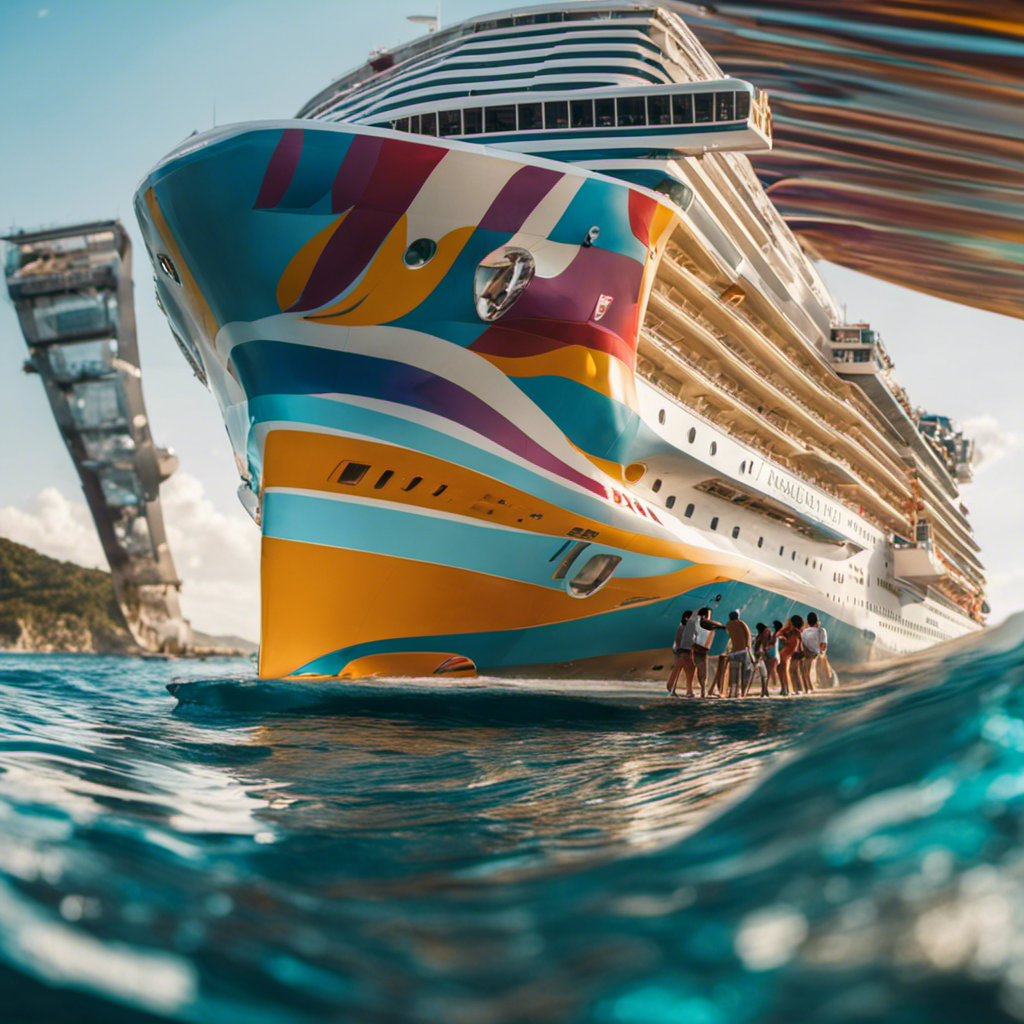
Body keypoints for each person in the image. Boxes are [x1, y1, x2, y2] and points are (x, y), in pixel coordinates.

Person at [678, 606, 727, 697]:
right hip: (700, 649)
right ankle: (703, 691)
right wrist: (721, 626)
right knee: (702, 670)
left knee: (701, 670)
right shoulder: (702, 620)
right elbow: (714, 623)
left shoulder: (698, 622)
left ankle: (702, 690)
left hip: (697, 648)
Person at [725, 610, 754, 696]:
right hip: (744, 652)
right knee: (746, 672)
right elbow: (748, 636)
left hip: (734, 652)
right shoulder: (741, 623)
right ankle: (743, 692)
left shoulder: (728, 625)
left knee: (734, 673)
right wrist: (750, 652)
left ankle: (733, 692)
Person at [666, 610, 694, 697]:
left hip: (684, 651)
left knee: (686, 669)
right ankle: (675, 688)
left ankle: (687, 690)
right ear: (686, 618)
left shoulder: (687, 627)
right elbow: (678, 640)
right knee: (684, 669)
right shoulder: (682, 627)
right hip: (682, 651)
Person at [800, 612, 830, 690]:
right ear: (817, 621)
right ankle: (816, 687)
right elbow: (823, 645)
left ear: (808, 622)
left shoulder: (804, 632)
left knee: (807, 674)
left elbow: (803, 645)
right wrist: (820, 654)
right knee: (815, 674)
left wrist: (807, 653)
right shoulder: (822, 630)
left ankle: (809, 690)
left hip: (808, 655)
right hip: (817, 655)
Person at [777, 614, 804, 695]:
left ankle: (786, 689)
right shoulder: (792, 632)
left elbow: (779, 634)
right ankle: (785, 688)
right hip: (786, 653)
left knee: (785, 671)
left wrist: (786, 625)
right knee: (782, 670)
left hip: (787, 653)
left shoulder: (794, 632)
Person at [753, 622, 778, 697]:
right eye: (765, 632)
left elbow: (772, 649)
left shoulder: (771, 639)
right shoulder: (759, 638)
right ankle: (764, 690)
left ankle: (765, 690)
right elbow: (756, 649)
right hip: (764, 657)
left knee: (768, 674)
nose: (767, 633)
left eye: (768, 631)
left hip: (771, 657)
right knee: (764, 675)